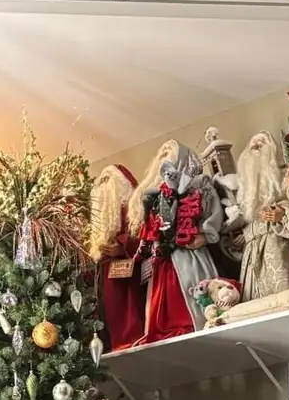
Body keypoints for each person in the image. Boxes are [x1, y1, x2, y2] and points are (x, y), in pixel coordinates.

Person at [128, 142, 224, 342]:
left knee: (197, 300)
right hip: (165, 259)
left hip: (191, 255)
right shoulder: (155, 195)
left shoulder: (199, 185)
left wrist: (205, 235)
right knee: (163, 306)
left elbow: (213, 213)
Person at [236, 131, 289, 301]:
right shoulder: (245, 188)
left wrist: (282, 213)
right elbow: (247, 215)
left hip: (276, 240)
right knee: (255, 300)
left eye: (260, 145)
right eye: (253, 146)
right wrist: (245, 233)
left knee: (285, 295)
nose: (256, 148)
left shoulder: (284, 175)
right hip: (252, 250)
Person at [88, 164, 146, 350]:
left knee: (132, 311)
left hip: (131, 271)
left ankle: (133, 341)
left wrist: (122, 247)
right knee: (112, 311)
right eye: (102, 180)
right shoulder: (100, 214)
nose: (104, 184)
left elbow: (144, 236)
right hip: (108, 272)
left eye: (108, 180)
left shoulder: (133, 207)